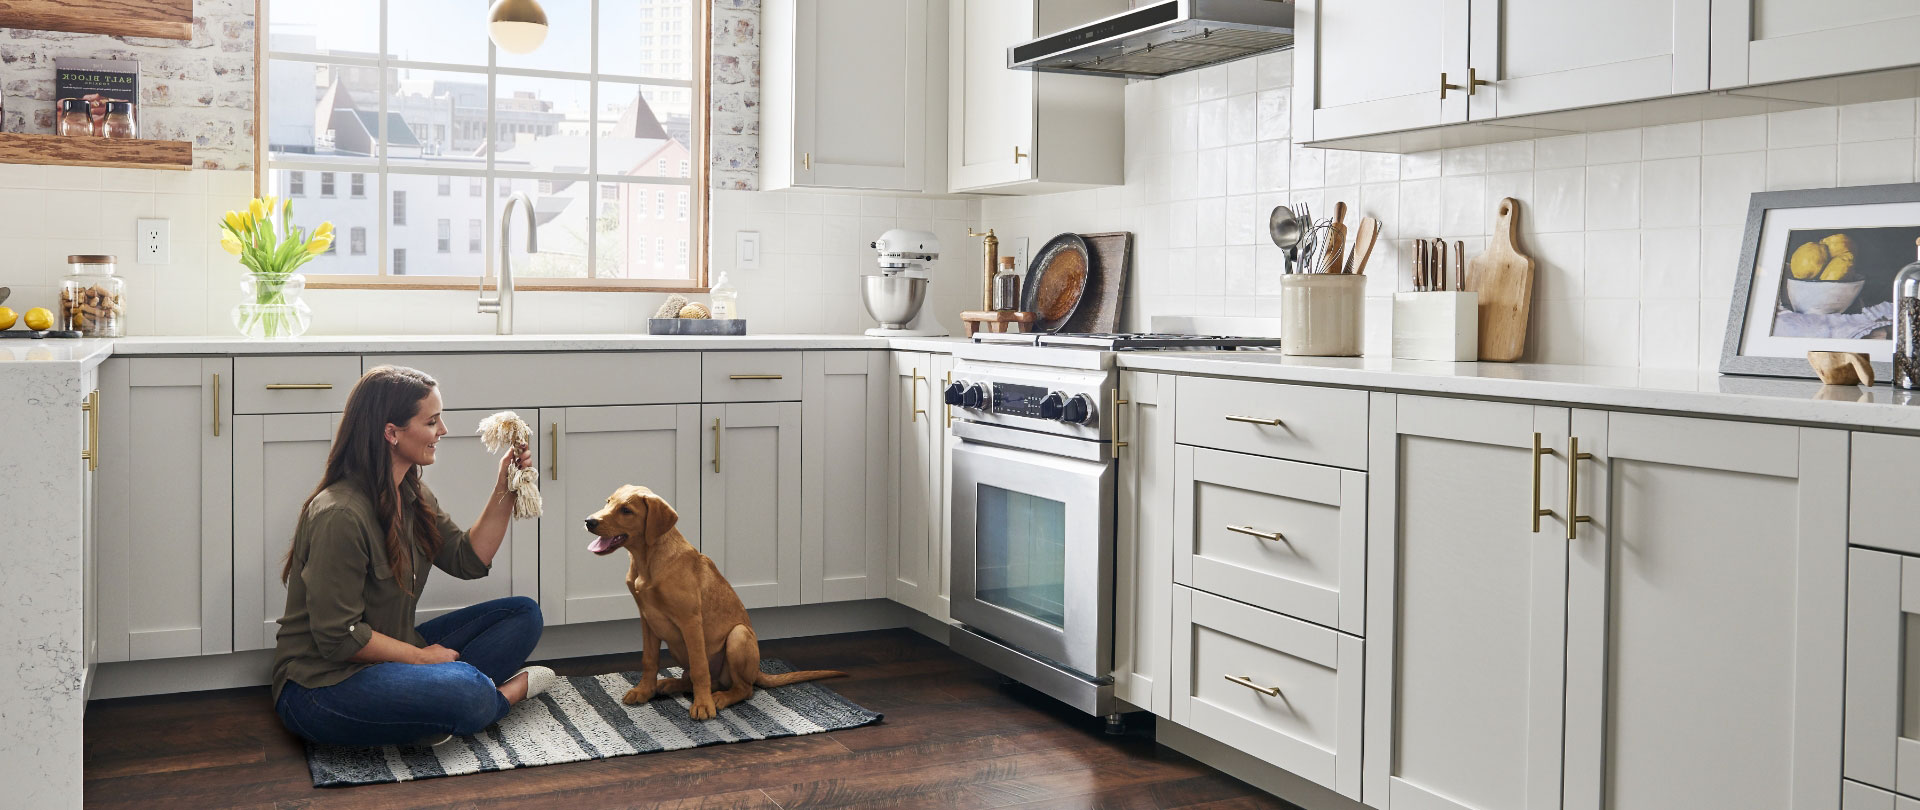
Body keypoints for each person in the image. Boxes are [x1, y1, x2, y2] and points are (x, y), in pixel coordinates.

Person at [271, 365, 554, 748]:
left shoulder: (412, 493)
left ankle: (435, 705)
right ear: (392, 433)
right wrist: (422, 661)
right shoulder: (339, 515)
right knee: (467, 691)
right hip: (323, 686)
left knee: (523, 614)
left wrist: (506, 485)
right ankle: (499, 696)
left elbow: (468, 559)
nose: (443, 431)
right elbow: (339, 639)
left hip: (395, 652)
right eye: (432, 421)